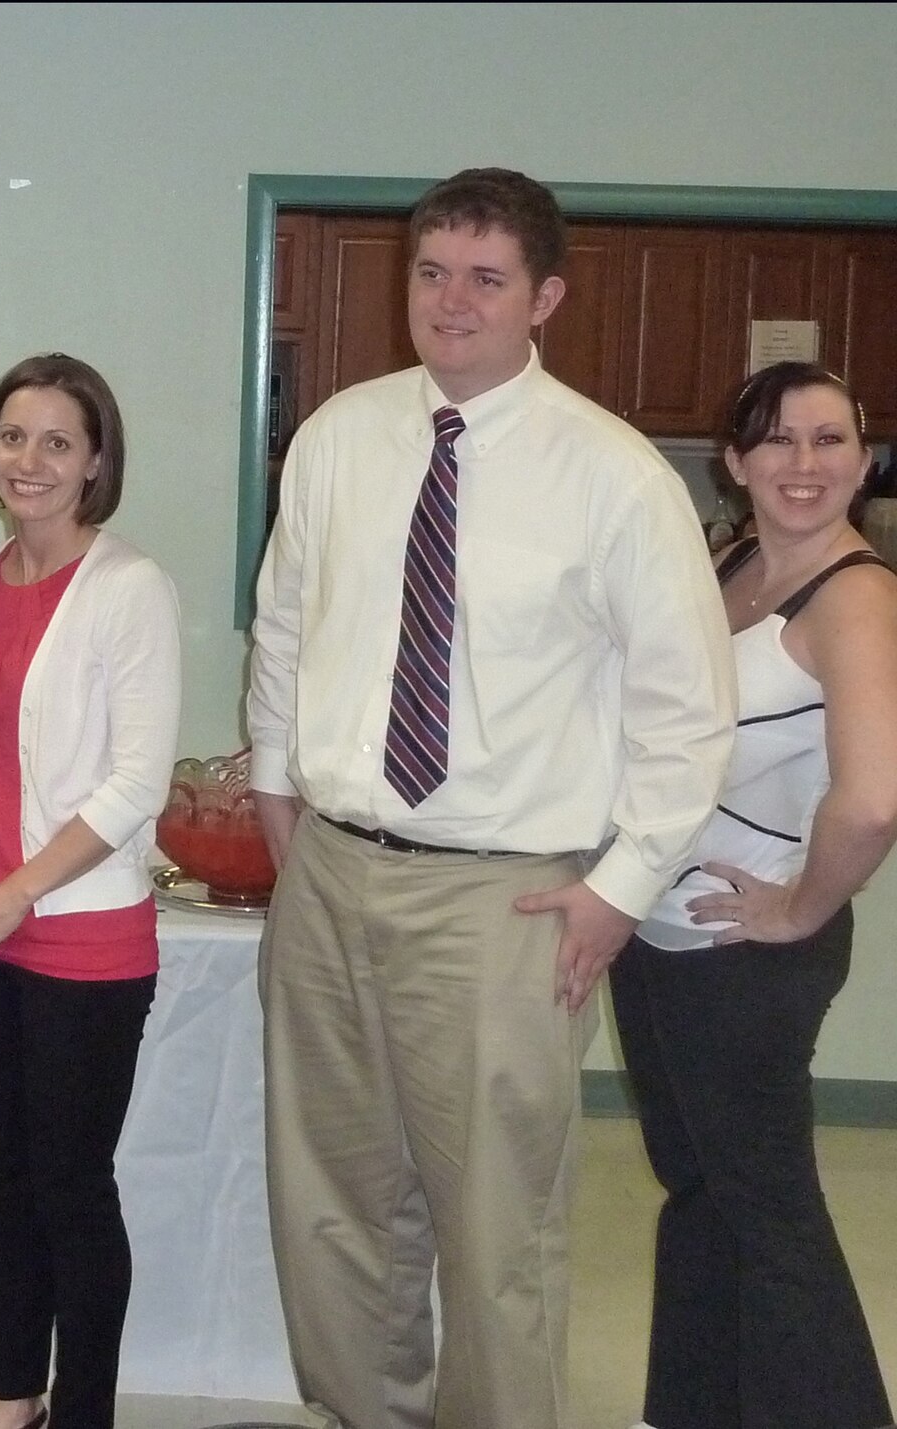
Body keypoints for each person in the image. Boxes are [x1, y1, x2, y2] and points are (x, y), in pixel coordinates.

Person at [245, 167, 737, 1429]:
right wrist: (276, 805)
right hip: (334, 874)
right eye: (428, 271)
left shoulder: (614, 477)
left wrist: (616, 893)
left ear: (543, 299)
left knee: (493, 1228)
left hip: (503, 899)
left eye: (483, 277)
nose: (449, 301)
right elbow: (285, 633)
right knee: (330, 1204)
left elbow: (687, 714)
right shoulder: (337, 439)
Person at [609, 361, 897, 1429]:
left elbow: (870, 801)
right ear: (733, 461)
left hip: (746, 950)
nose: (802, 463)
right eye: (776, 439)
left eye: (827, 441)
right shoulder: (726, 564)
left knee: (765, 1209)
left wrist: (794, 911)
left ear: (861, 460)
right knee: (698, 1192)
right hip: (659, 934)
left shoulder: (856, 596)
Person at [0, 354, 180, 1429]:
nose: (28, 460)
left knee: (71, 1187)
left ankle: (82, 1410)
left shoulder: (130, 588)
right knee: (2, 1183)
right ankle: (9, 1398)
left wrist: (15, 890)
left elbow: (135, 782)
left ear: (94, 464)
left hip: (77, 936)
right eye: (12, 436)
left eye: (55, 442)